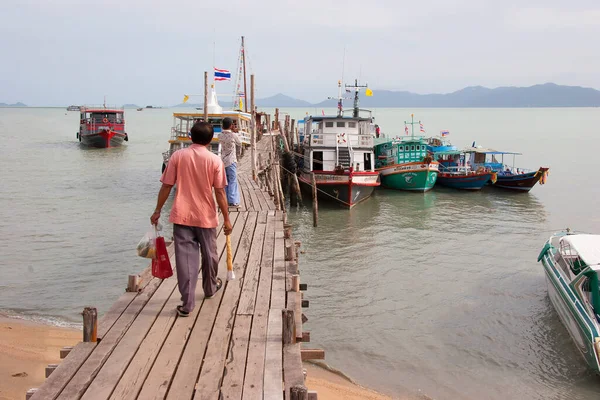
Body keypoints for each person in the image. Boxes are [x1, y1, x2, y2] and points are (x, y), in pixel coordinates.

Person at [150, 122, 232, 317]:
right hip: (206, 216)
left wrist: (157, 210)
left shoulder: (178, 156)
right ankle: (210, 288)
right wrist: (227, 218)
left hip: (182, 215)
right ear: (211, 139)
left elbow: (166, 186)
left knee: (186, 259)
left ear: (190, 136)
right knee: (210, 254)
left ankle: (187, 304)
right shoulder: (214, 160)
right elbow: (220, 192)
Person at [219, 117, 242, 207]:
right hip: (231, 160)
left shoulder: (220, 135)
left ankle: (225, 199)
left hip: (223, 160)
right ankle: (232, 201)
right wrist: (235, 131)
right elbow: (239, 143)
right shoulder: (233, 135)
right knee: (232, 180)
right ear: (231, 125)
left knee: (225, 181)